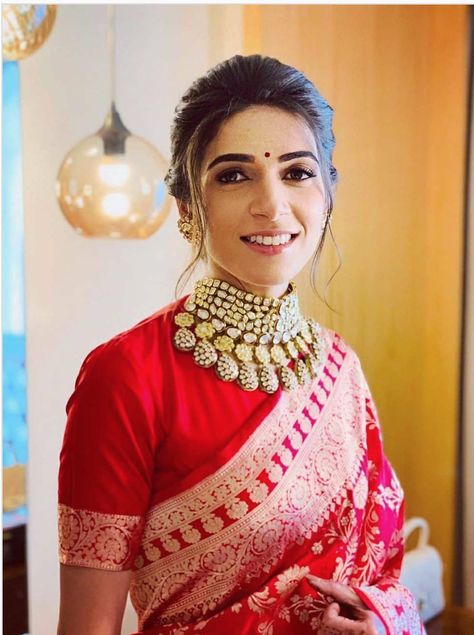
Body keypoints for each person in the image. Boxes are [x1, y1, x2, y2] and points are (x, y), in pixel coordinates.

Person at [57, 54, 426, 635]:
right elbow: (87, 628)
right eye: (233, 175)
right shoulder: (124, 375)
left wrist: (382, 623)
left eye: (298, 173)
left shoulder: (340, 369)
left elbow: (383, 573)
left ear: (327, 195)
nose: (272, 205)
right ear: (187, 209)